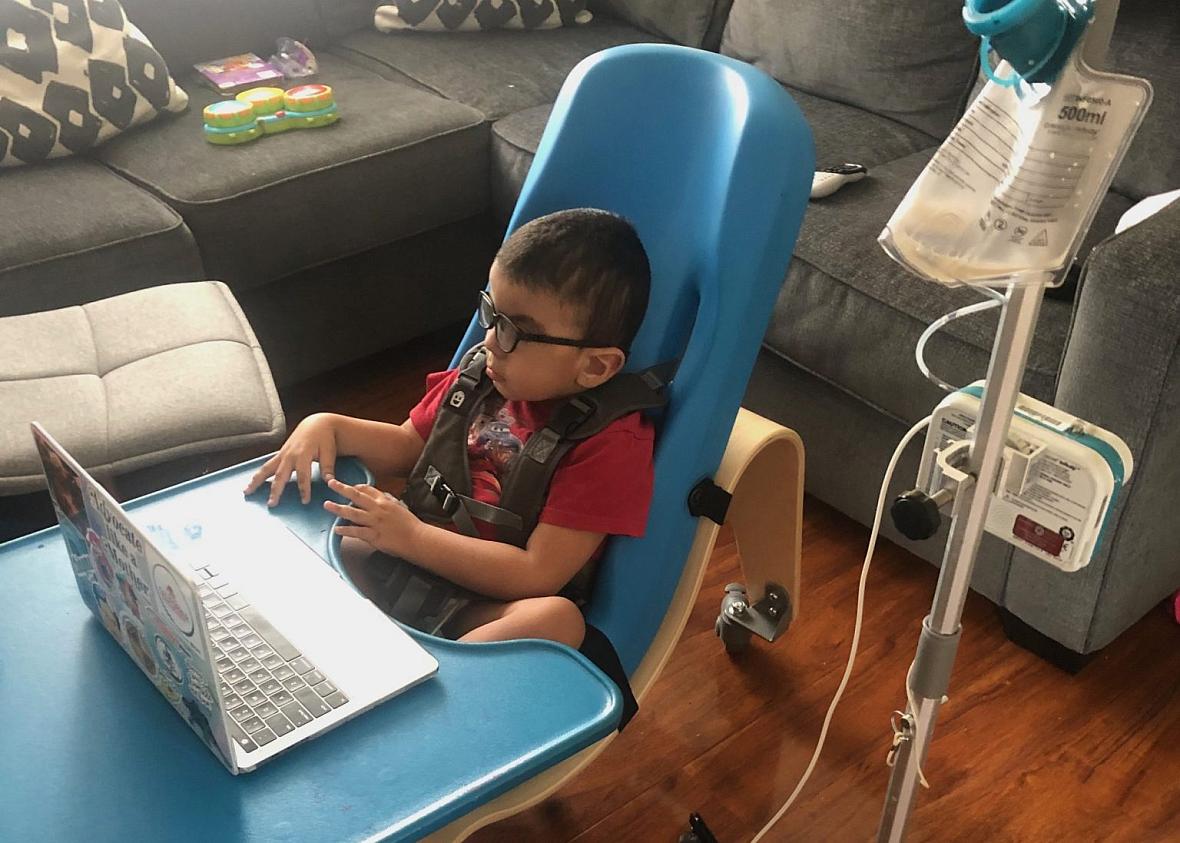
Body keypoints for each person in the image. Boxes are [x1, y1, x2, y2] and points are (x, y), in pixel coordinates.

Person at [244, 209, 656, 649]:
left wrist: (414, 537)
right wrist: (327, 425)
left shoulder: (610, 444)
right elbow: (408, 446)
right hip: (408, 565)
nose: (493, 341)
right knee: (322, 531)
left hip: (481, 608)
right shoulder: (483, 378)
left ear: (595, 366)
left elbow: (537, 573)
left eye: (517, 331)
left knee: (557, 620)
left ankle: (423, 672)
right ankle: (337, 649)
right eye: (493, 314)